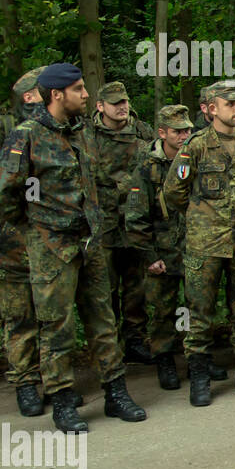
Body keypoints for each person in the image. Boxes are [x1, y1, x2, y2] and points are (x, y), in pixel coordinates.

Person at [0, 63, 147, 431]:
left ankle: (115, 392)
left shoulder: (81, 132)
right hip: (51, 248)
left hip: (90, 243)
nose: (86, 95)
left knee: (103, 320)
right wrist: (32, 223)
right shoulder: (26, 136)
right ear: (57, 95)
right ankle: (62, 401)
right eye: (78, 90)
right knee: (56, 326)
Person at [163, 81, 235, 405]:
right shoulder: (196, 146)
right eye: (230, 104)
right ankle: (199, 378)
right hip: (207, 243)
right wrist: (202, 217)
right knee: (200, 313)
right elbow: (173, 191)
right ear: (212, 109)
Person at [0, 68, 46, 416]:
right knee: (19, 318)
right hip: (8, 245)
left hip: (46, 244)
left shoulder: (49, 131)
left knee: (49, 315)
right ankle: (25, 383)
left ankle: (52, 381)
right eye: (43, 92)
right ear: (29, 97)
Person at [124, 105, 194, 392]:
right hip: (161, 252)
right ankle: (165, 359)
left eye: (188, 130)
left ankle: (194, 358)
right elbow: (135, 217)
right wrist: (149, 256)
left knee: (194, 306)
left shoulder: (193, 158)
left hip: (192, 247)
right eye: (178, 131)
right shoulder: (146, 166)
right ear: (163, 133)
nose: (184, 135)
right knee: (163, 310)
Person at [86, 80, 155, 365]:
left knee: (136, 286)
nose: (122, 107)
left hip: (135, 220)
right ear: (101, 106)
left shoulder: (142, 131)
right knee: (105, 288)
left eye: (124, 102)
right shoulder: (87, 135)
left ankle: (136, 340)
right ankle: (108, 346)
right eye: (115, 103)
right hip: (103, 224)